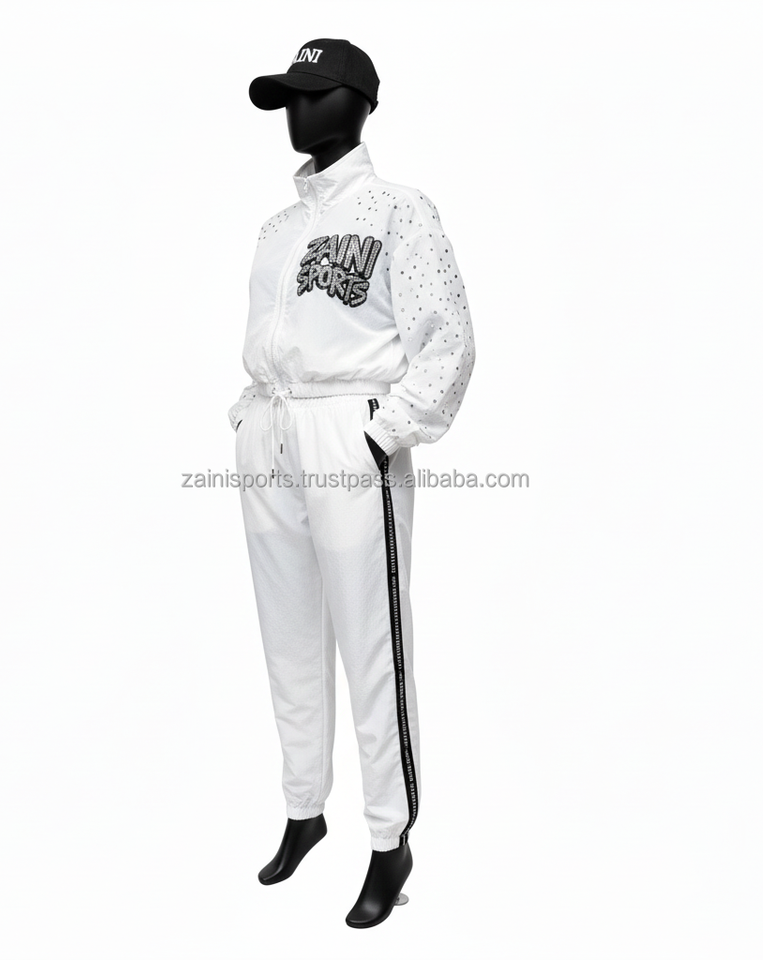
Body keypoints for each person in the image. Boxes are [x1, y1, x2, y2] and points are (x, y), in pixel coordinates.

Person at [229, 38, 476, 928]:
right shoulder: (275, 228)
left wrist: (385, 433)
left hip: (350, 431)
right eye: (288, 98)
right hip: (272, 432)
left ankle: (389, 837)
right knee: (288, 633)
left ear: (358, 102)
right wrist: (248, 417)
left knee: (373, 642)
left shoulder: (399, 210)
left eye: (312, 94)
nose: (297, 112)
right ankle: (305, 808)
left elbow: (447, 339)